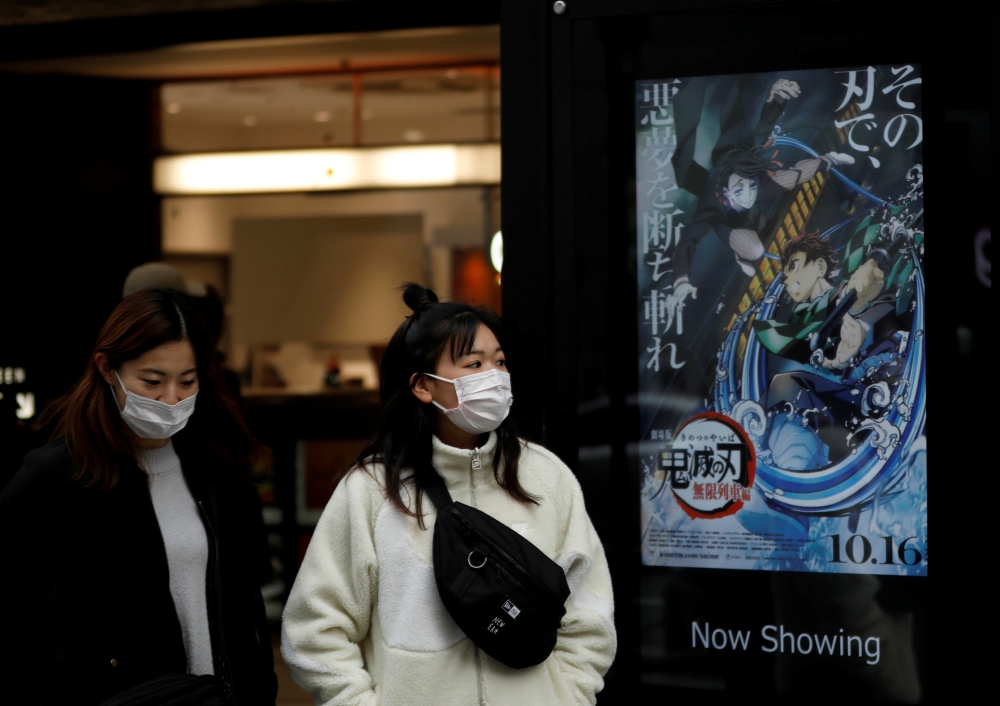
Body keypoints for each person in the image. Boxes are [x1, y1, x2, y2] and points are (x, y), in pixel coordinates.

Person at [281, 283, 616, 705]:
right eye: (474, 364)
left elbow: (590, 616)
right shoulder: (371, 491)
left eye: (500, 362)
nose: (493, 377)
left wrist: (566, 696)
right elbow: (315, 631)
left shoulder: (547, 477)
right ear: (423, 385)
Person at [0, 288, 277, 705]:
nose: (171, 400)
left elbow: (239, 606)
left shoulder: (212, 468)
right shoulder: (56, 476)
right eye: (152, 381)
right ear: (107, 369)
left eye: (187, 380)